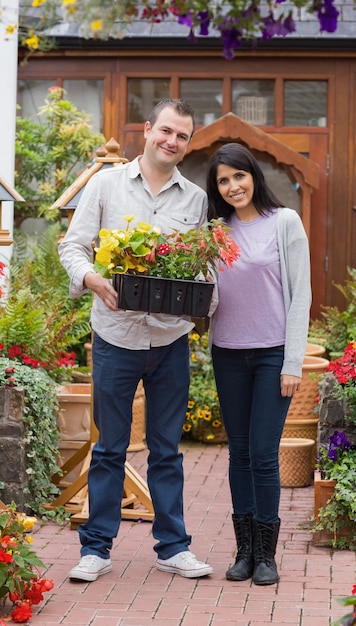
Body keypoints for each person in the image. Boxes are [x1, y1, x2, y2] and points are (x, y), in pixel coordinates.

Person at [59, 98, 214, 582]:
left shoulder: (194, 199)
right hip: (115, 335)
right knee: (110, 447)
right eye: (166, 130)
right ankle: (96, 549)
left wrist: (203, 301)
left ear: (188, 145)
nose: (172, 141)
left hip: (170, 339)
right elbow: (73, 245)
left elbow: (201, 265)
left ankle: (173, 547)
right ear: (148, 130)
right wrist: (92, 280)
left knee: (167, 448)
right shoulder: (106, 185)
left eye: (182, 136)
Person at [206, 142, 311, 586]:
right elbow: (210, 295)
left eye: (239, 176)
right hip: (227, 351)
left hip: (272, 354)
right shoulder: (215, 233)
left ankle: (267, 555)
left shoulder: (284, 222)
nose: (233, 186)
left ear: (254, 175)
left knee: (265, 455)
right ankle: (245, 550)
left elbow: (300, 294)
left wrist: (292, 362)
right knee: (240, 453)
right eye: (223, 181)